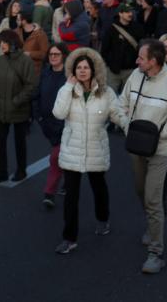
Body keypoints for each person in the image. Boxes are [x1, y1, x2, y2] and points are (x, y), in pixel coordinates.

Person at [116, 39, 167, 274]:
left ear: (154, 61)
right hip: (135, 147)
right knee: (141, 191)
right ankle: (151, 225)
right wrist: (128, 127)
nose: (136, 60)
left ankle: (155, 253)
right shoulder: (136, 76)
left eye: (141, 58)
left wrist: (158, 137)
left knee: (152, 198)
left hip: (160, 150)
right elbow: (121, 104)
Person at [51, 47, 123, 254]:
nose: (82, 71)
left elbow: (117, 114)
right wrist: (67, 87)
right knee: (71, 196)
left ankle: (103, 219)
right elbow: (58, 113)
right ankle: (69, 237)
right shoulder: (67, 90)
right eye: (78, 67)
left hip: (95, 149)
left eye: (86, 67)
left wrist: (131, 125)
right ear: (73, 70)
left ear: (94, 70)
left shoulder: (106, 92)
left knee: (99, 188)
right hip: (72, 150)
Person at [0, 30, 37, 183]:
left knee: (19, 142)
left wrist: (16, 101)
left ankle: (21, 170)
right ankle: (2, 171)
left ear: (13, 43)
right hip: (1, 109)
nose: (2, 45)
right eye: (0, 42)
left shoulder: (25, 61)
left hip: (19, 109)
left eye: (4, 42)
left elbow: (31, 86)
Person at [33, 43, 69, 208]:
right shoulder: (45, 73)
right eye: (51, 54)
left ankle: (49, 193)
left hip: (65, 125)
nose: (53, 57)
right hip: (47, 123)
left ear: (63, 56)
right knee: (64, 157)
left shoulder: (69, 76)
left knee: (55, 158)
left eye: (57, 54)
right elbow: (37, 95)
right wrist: (38, 117)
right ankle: (69, 180)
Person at [101, 3, 144, 95]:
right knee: (110, 97)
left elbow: (142, 48)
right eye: (127, 12)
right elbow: (104, 50)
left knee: (128, 98)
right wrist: (111, 63)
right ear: (120, 13)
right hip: (113, 72)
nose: (130, 14)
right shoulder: (111, 29)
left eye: (131, 11)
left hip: (131, 70)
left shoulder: (138, 28)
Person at [17, 7, 50, 76]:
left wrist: (30, 54)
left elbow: (45, 54)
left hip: (33, 71)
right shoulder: (17, 31)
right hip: (19, 69)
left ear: (24, 21)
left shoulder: (40, 34)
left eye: (18, 20)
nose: (17, 21)